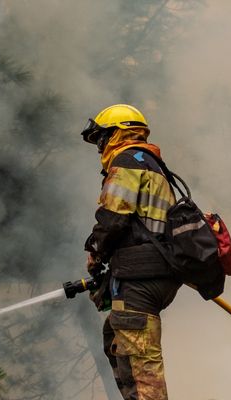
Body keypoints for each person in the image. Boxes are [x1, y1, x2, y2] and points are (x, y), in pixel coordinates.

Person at [81, 104, 180, 399]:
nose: (99, 146)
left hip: (140, 275)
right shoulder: (151, 164)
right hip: (155, 273)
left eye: (101, 138)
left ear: (118, 133)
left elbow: (114, 214)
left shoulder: (128, 160)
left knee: (142, 370)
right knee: (115, 337)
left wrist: (94, 252)